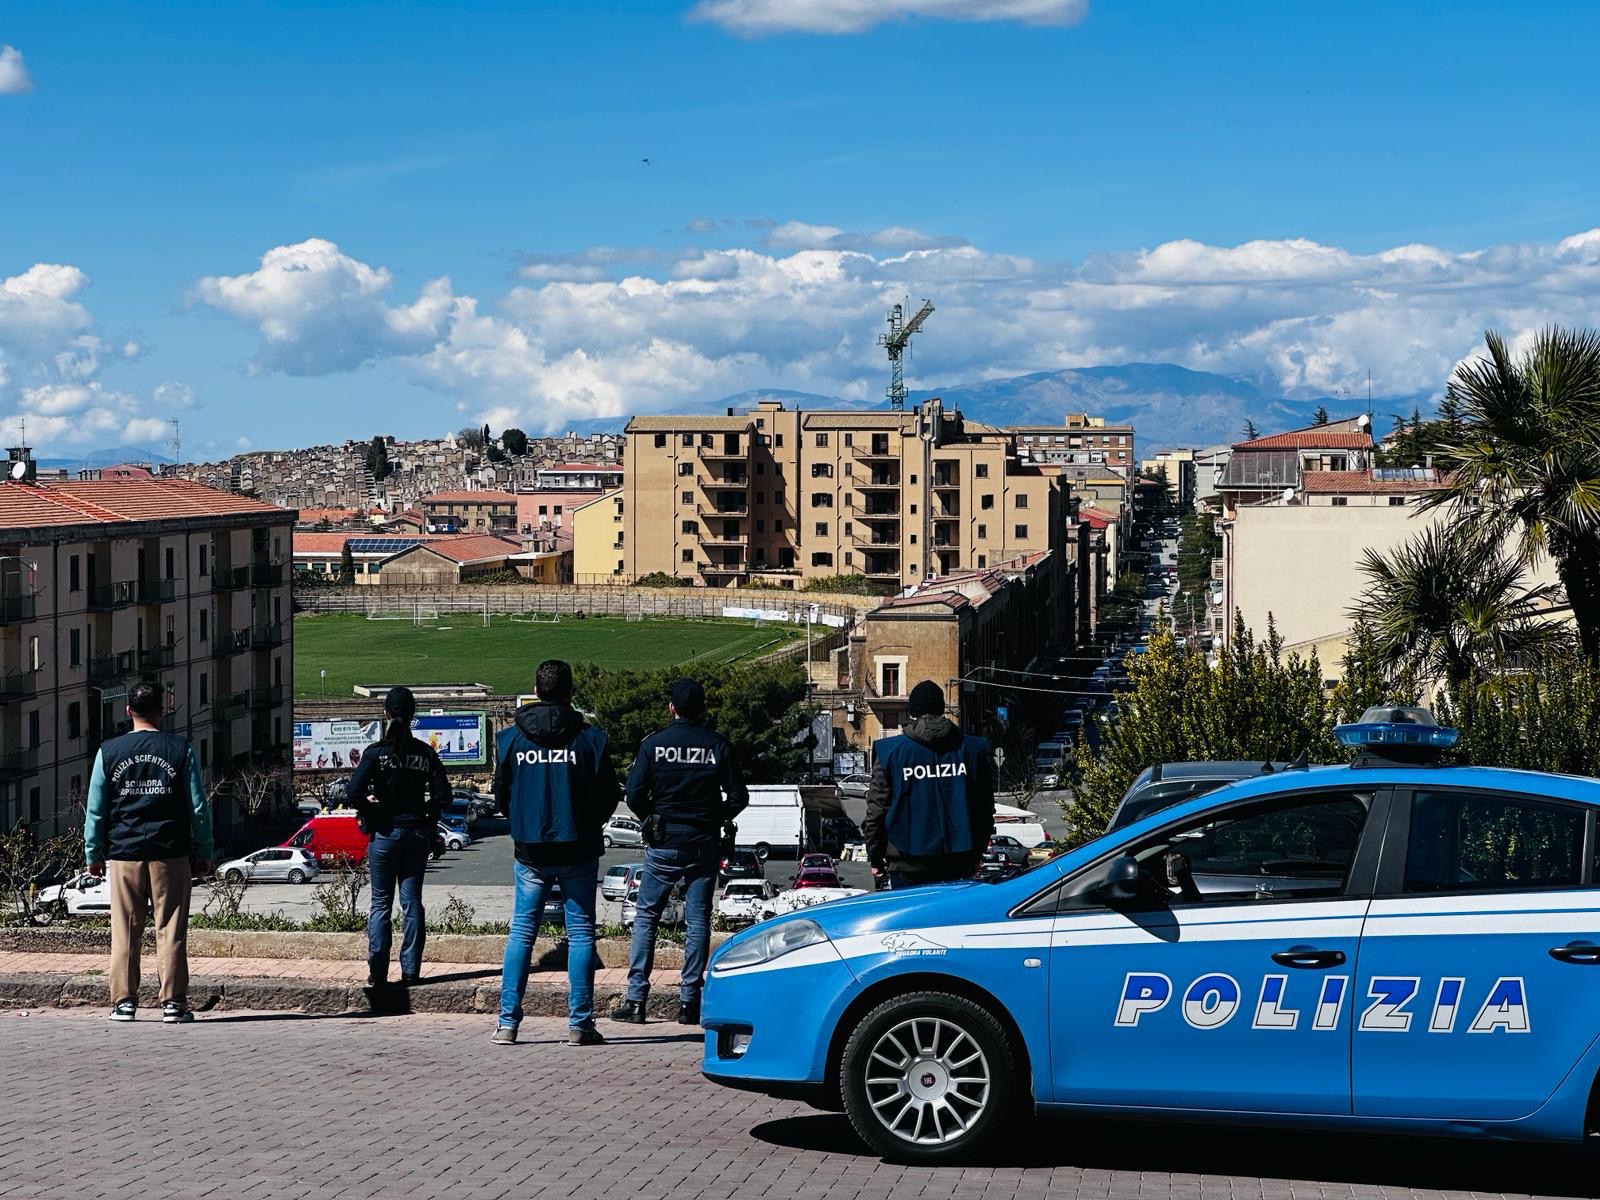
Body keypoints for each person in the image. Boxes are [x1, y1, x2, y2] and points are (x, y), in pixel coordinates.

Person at [493, 659, 619, 1046]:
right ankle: (579, 1024)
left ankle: (507, 1022)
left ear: (537, 689)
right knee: (580, 935)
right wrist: (585, 822)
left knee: (522, 933)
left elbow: (501, 795)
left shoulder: (510, 739)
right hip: (579, 847)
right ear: (569, 692)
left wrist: (523, 820)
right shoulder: (590, 739)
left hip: (530, 849)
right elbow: (610, 795)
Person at [613, 679, 747, 1026]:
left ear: (671, 708)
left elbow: (634, 794)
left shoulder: (653, 745)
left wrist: (652, 819)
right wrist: (714, 817)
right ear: (702, 709)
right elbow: (738, 797)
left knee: (646, 917)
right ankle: (689, 1002)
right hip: (702, 842)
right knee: (698, 920)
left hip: (664, 843)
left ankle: (636, 1000)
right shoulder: (718, 745)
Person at [83, 682, 213, 1023]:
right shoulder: (180, 749)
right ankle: (173, 1003)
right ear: (162, 710)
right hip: (169, 850)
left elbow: (96, 809)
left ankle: (124, 1002)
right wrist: (203, 849)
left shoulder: (108, 752)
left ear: (128, 712)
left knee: (125, 929)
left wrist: (93, 853)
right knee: (170, 928)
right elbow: (197, 807)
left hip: (124, 851)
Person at [346, 685, 449, 988]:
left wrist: (373, 812)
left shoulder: (376, 753)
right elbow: (444, 795)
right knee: (412, 902)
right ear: (413, 714)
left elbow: (353, 791)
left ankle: (378, 972)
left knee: (380, 903)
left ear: (386, 713)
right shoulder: (425, 753)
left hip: (385, 834)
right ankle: (411, 971)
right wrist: (426, 815)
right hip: (416, 833)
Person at [863, 679, 996, 890]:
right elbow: (984, 809)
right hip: (958, 860)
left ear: (912, 712)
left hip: (906, 862)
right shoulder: (973, 749)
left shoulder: (891, 753)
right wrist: (976, 854)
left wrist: (876, 858)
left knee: (913, 923)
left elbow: (876, 811)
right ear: (942, 709)